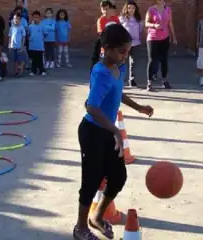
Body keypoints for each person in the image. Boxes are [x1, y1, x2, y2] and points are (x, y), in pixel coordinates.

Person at [73, 24, 153, 240]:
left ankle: (97, 216)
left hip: (107, 131)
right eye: (121, 52)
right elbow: (91, 106)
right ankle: (80, 228)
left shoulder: (119, 67)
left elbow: (117, 93)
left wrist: (140, 107)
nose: (125, 56)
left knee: (118, 177)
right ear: (106, 49)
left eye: (127, 52)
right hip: (92, 132)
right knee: (90, 181)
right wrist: (116, 132)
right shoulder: (100, 72)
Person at [145, 0, 177, 91]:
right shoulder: (151, 9)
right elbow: (146, 23)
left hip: (165, 38)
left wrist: (174, 37)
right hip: (153, 38)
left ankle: (164, 81)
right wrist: (154, 25)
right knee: (152, 59)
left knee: (164, 60)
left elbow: (170, 23)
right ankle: (149, 83)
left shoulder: (168, 9)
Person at [90, 0, 120, 73]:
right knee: (99, 58)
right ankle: (94, 72)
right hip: (103, 41)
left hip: (114, 41)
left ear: (110, 9)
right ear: (101, 10)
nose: (105, 11)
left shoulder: (115, 18)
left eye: (107, 9)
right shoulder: (101, 20)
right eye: (103, 9)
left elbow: (119, 29)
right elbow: (101, 33)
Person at [120, 0, 143, 87]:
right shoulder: (122, 18)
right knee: (122, 61)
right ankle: (120, 79)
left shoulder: (138, 19)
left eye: (133, 8)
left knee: (133, 62)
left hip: (135, 43)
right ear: (126, 9)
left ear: (135, 9)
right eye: (129, 8)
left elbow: (140, 30)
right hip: (125, 43)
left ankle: (132, 80)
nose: (131, 10)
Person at [28, 11, 46, 76]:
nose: (36, 19)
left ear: (39, 18)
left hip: (40, 46)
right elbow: (28, 34)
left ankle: (42, 70)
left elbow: (45, 34)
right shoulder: (30, 26)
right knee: (34, 60)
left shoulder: (42, 26)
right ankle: (33, 71)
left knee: (40, 59)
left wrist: (41, 39)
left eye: (37, 17)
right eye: (34, 17)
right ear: (32, 18)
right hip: (33, 46)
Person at [8, 12, 26, 77]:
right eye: (15, 19)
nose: (16, 20)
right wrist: (9, 46)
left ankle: (20, 72)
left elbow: (23, 37)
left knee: (20, 60)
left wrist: (22, 46)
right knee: (15, 60)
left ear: (20, 20)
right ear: (13, 19)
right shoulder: (11, 28)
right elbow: (10, 37)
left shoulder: (22, 28)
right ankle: (16, 72)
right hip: (13, 47)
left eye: (18, 19)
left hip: (19, 47)